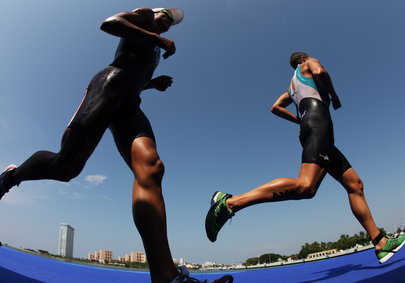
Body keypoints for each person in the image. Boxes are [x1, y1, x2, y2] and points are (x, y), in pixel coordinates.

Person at [0, 7, 233, 283]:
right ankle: (11, 176)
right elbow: (109, 24)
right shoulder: (145, 16)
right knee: (66, 168)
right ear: (158, 13)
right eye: (168, 18)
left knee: (152, 168)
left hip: (130, 106)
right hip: (107, 89)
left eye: (172, 25)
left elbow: (136, 76)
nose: (169, 26)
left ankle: (166, 277)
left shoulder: (154, 47)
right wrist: (155, 38)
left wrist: (152, 84)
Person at [205, 52, 405, 264]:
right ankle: (230, 203)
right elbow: (321, 72)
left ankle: (380, 242)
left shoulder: (291, 88)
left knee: (355, 185)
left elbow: (275, 107)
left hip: (311, 128)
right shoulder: (308, 63)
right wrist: (334, 96)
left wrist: (299, 121)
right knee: (306, 187)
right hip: (320, 124)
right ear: (303, 58)